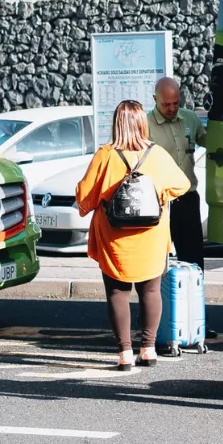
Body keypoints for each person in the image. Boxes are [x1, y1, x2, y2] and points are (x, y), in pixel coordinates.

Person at [75, 100, 193, 373]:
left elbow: (85, 197)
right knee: (150, 290)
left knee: (118, 292)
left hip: (115, 237)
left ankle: (124, 354)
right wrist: (161, 196)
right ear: (142, 123)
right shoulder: (157, 154)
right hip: (151, 235)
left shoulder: (105, 155)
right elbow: (182, 184)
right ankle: (148, 349)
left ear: (116, 123)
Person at [148, 77, 208, 270]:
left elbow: (210, 141)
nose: (172, 108)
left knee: (193, 258)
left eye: (176, 103)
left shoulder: (190, 118)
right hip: (160, 201)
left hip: (188, 197)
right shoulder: (145, 125)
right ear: (154, 99)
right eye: (166, 104)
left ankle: (194, 296)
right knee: (157, 259)